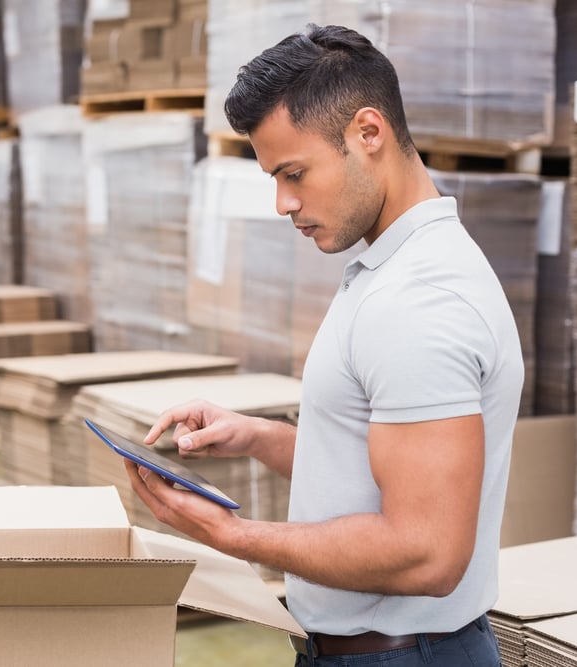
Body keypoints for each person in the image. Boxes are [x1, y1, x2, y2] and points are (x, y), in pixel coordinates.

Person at [128, 25, 522, 667]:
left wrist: (233, 535)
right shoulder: (396, 271)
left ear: (369, 134)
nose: (283, 202)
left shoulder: (418, 302)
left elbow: (427, 550)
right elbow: (384, 466)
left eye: (295, 173)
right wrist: (256, 436)